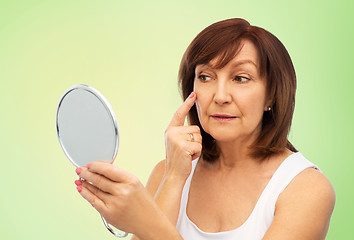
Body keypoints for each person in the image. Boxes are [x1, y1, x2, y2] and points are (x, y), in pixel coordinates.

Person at [74, 18, 335, 240]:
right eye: (206, 77)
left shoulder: (306, 189)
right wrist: (174, 178)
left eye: (240, 78)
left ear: (271, 96)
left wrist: (145, 223)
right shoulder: (167, 172)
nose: (220, 96)